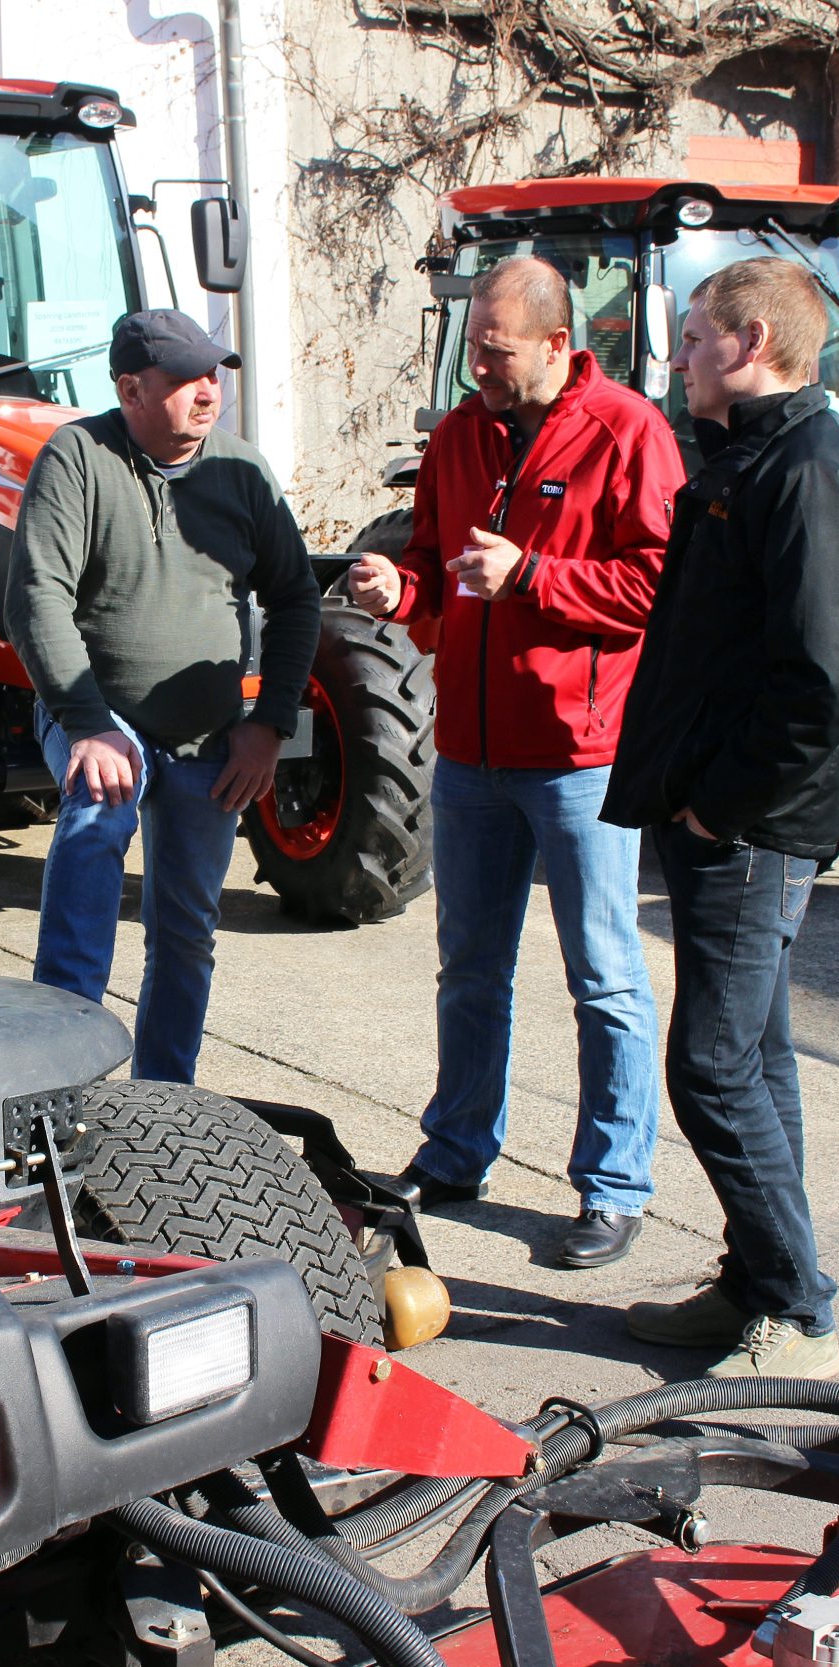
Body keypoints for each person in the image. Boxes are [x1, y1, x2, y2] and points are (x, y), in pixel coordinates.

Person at [347, 256, 681, 1268]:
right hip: (470, 754)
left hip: (578, 756)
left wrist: (531, 574)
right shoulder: (460, 434)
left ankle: (612, 1186)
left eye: (494, 352)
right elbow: (437, 567)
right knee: (469, 968)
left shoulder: (628, 432)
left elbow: (659, 584)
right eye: (472, 349)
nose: (477, 370)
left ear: (555, 343)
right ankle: (456, 1152)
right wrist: (398, 590)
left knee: (604, 977)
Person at [603, 256, 839, 1379]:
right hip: (721, 818)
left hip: (752, 828)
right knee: (755, 1059)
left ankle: (801, 1317)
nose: (676, 357)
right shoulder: (749, 456)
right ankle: (757, 1281)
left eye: (693, 336)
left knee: (712, 1070)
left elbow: (821, 680)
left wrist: (718, 809)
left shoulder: (808, 469)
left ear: (751, 341)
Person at [4, 308, 320, 1081]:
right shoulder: (78, 457)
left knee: (186, 928)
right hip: (96, 712)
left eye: (213, 374)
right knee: (97, 819)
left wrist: (270, 724)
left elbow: (296, 597)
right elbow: (35, 597)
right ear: (131, 390)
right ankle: (60, 1085)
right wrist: (87, 723)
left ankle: (165, 1100)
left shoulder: (242, 471)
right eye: (185, 378)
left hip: (209, 732)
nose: (208, 390)